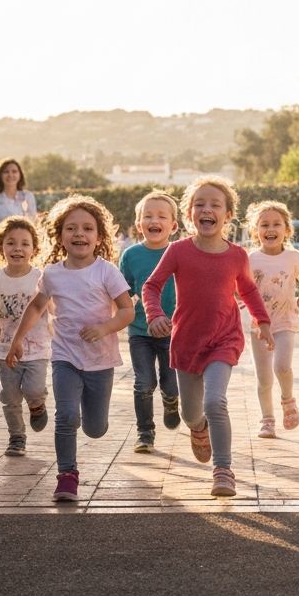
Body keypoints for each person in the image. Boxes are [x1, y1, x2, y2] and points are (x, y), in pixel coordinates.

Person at [142, 176, 272, 499]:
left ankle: (224, 469)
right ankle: (198, 429)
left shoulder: (237, 255)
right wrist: (155, 315)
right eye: (199, 204)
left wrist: (262, 320)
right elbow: (151, 286)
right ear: (189, 213)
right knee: (191, 413)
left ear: (228, 216)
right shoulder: (178, 251)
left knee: (215, 401)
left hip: (224, 339)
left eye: (215, 205)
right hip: (186, 341)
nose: (207, 209)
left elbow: (249, 290)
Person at [6, 195, 134, 502]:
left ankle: (93, 426)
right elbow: (37, 306)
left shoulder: (106, 272)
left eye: (88, 228)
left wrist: (104, 328)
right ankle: (67, 475)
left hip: (100, 360)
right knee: (65, 416)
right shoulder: (51, 274)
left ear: (99, 237)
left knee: (94, 427)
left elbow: (127, 311)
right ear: (60, 235)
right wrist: (17, 339)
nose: (79, 234)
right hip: (64, 356)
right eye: (71, 228)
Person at [0, 216, 50, 456]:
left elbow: (50, 311)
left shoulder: (41, 278)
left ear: (34, 248)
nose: (17, 248)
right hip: (4, 350)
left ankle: (37, 405)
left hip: (37, 350)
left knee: (33, 389)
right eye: (11, 243)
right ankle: (17, 437)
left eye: (24, 243)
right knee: (9, 397)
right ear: (1, 248)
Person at [243, 199, 299, 439]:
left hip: (285, 322)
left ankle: (287, 399)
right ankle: (267, 420)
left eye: (276, 224)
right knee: (263, 379)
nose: (270, 230)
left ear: (286, 230)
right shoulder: (250, 259)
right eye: (264, 225)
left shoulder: (293, 256)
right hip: (258, 326)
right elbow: (241, 287)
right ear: (255, 231)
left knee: (281, 367)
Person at [118, 190, 181, 454]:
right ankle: (145, 433)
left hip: (174, 331)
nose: (154, 220)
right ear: (138, 224)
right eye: (148, 216)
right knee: (144, 382)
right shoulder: (131, 255)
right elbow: (123, 292)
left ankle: (171, 400)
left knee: (170, 383)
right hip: (140, 331)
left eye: (161, 216)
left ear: (173, 226)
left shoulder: (180, 252)